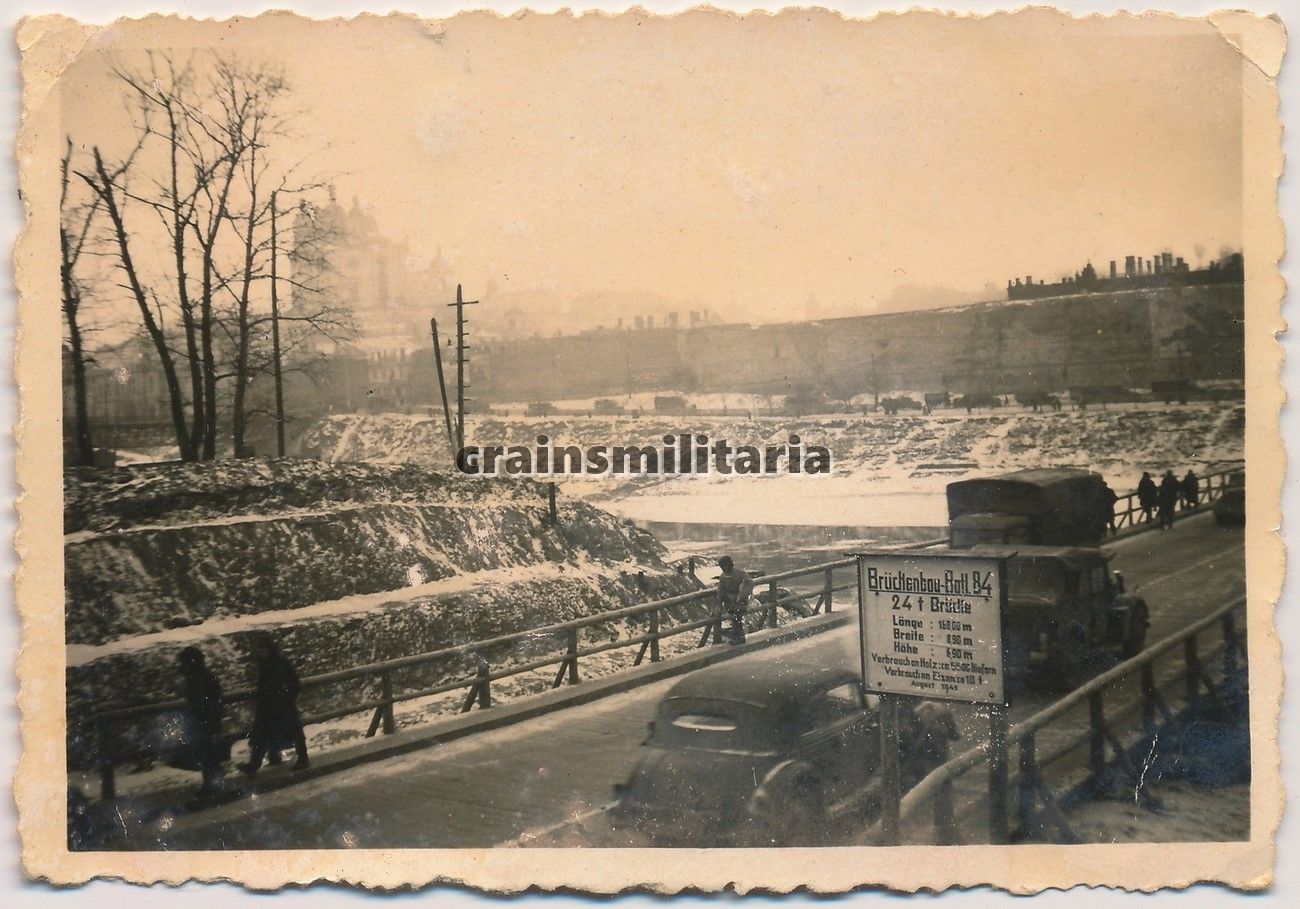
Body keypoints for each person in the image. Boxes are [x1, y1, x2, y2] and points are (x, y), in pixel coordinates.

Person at [238, 635, 309, 775]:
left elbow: (294, 683)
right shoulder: (264, 665)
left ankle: (302, 758)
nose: (262, 653)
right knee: (261, 734)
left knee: (294, 731)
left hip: (283, 705)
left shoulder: (281, 664)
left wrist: (288, 697)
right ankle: (256, 764)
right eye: (260, 650)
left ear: (270, 650)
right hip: (269, 707)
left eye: (264, 650)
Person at [177, 646, 225, 795]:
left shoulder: (201, 679)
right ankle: (213, 781)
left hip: (206, 720)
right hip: (202, 720)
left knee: (207, 753)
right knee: (206, 754)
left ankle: (211, 785)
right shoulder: (197, 677)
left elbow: (210, 702)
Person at [714, 556, 754, 646]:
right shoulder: (723, 577)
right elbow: (720, 591)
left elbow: (749, 582)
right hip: (729, 602)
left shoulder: (739, 573)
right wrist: (718, 604)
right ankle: (739, 637)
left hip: (740, 601)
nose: (723, 568)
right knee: (735, 618)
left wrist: (741, 595)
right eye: (721, 567)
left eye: (724, 566)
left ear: (729, 565)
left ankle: (737, 638)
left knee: (736, 618)